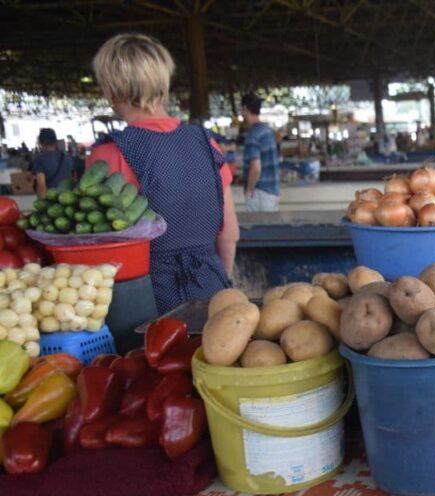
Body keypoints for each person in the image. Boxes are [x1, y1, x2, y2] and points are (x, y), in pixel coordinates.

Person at [88, 33, 238, 313]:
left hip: (145, 302)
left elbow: (102, 251)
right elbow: (228, 233)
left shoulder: (107, 156)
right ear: (163, 83)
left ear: (109, 89)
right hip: (211, 290)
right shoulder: (207, 144)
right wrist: (223, 280)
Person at [241, 93, 281, 211]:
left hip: (259, 193)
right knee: (272, 229)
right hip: (273, 192)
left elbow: (256, 167)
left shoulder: (252, 135)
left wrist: (249, 190)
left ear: (245, 109)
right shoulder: (268, 131)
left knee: (257, 228)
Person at [30, 128, 73, 199]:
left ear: (40, 142)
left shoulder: (39, 160)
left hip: (51, 201)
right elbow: (72, 178)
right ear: (55, 141)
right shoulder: (67, 157)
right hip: (68, 199)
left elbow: (42, 187)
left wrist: (42, 205)